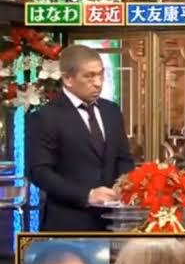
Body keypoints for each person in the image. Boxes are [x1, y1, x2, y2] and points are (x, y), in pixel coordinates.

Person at [29, 44, 134, 231]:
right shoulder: (46, 117)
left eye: (101, 74)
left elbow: (123, 158)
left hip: (113, 222)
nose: (98, 83)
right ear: (68, 79)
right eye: (89, 76)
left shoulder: (111, 111)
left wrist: (122, 185)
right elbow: (40, 172)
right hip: (69, 224)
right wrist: (88, 195)